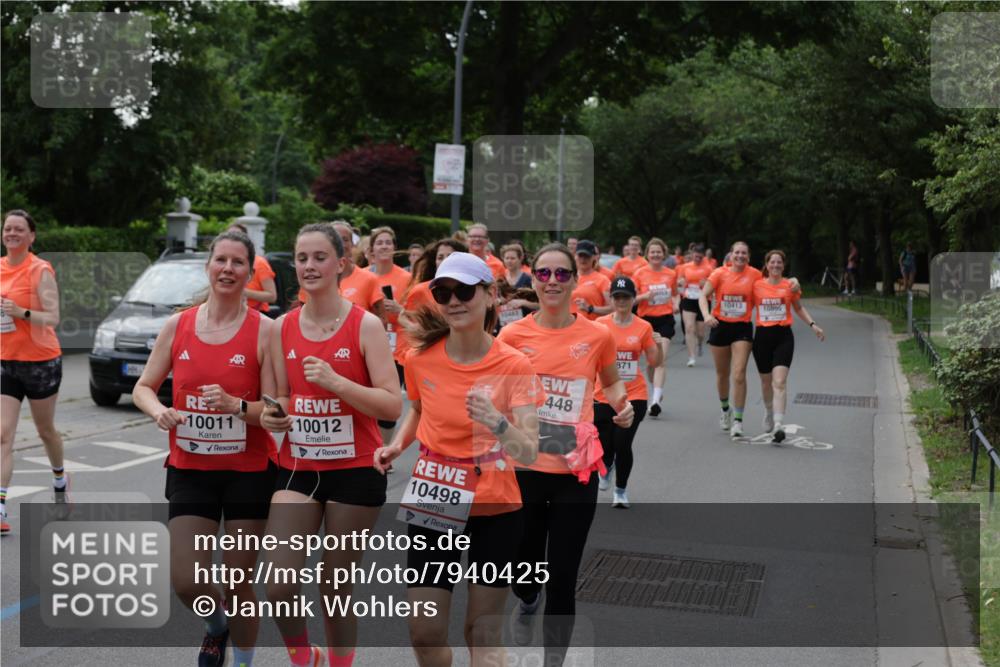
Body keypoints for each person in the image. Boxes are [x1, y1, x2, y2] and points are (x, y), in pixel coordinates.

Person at [374, 252, 542, 667]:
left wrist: (498, 425)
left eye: (464, 290)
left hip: (495, 505)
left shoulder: (513, 364)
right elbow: (416, 406)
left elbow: (531, 450)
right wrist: (399, 444)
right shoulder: (419, 357)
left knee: (480, 634)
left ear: (489, 297)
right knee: (425, 632)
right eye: (444, 292)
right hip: (437, 497)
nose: (453, 300)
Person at [133, 230, 277, 667]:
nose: (228, 269)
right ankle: (216, 628)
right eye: (221, 261)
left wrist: (238, 407)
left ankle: (244, 662)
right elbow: (143, 387)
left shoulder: (265, 331)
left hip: (248, 471)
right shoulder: (179, 325)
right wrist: (159, 411)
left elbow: (274, 412)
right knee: (185, 580)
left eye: (238, 263)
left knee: (237, 583)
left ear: (250, 273)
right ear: (208, 266)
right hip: (190, 467)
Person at [260, 223, 401, 667]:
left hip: (357, 470)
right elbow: (280, 399)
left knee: (335, 585)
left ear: (341, 263)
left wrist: (337, 382)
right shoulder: (281, 327)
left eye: (319, 257)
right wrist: (273, 414)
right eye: (301, 258)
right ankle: (305, 657)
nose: (308, 266)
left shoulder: (367, 325)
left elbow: (391, 406)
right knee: (279, 582)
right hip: (299, 465)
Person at [498, 243, 633, 665]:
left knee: (563, 575)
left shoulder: (597, 334)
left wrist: (621, 403)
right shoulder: (512, 335)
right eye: (543, 273)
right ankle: (526, 598)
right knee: (524, 564)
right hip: (524, 468)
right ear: (532, 279)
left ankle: (554, 660)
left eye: (561, 274)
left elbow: (610, 383)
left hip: (576, 470)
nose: (552, 281)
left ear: (576, 280)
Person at [1, 209, 66, 536]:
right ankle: (0, 507)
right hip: (6, 361)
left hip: (41, 362)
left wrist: (21, 311)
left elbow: (53, 317)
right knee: (3, 434)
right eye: (7, 228)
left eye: (18, 229)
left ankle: (59, 478)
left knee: (45, 431)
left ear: (31, 236)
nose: (11, 233)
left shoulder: (40, 270)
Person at [595, 277, 662, 507]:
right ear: (611, 299)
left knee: (622, 443)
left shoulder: (643, 327)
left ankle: (621, 491)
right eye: (617, 297)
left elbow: (654, 361)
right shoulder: (600, 324)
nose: (621, 301)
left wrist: (658, 344)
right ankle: (606, 465)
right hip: (602, 393)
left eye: (625, 297)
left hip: (633, 394)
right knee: (604, 444)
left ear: (634, 299)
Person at [753, 250, 825, 442]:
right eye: (772, 262)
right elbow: (745, 306)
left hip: (783, 336)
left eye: (779, 263)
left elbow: (799, 307)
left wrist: (813, 325)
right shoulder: (757, 285)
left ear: (783, 266)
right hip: (762, 338)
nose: (775, 265)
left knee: (780, 382)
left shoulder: (790, 286)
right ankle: (769, 411)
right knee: (766, 382)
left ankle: (778, 424)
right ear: (766, 265)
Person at [698, 241, 762, 439]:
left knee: (739, 373)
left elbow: (770, 289)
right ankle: (726, 409)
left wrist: (792, 282)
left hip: (742, 327)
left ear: (748, 257)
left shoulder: (755, 275)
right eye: (737, 253)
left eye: (744, 253)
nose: (740, 256)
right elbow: (703, 295)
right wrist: (707, 315)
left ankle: (738, 421)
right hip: (720, 326)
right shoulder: (719, 273)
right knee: (722, 374)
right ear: (731, 255)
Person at [369, 226, 412, 444]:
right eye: (380, 242)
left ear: (394, 248)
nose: (384, 246)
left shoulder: (406, 278)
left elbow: (417, 314)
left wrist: (399, 309)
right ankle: (369, 446)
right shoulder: (363, 276)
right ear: (372, 249)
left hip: (398, 348)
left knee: (387, 400)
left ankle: (384, 448)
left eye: (388, 242)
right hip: (367, 346)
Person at [297, 222, 385, 324]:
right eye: (336, 239)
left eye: (345, 239)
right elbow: (302, 319)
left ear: (352, 244)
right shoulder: (313, 279)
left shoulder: (369, 279)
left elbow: (382, 320)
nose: (341, 244)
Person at [632, 238, 677, 417]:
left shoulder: (670, 274)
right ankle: (657, 389)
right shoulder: (640, 273)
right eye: (653, 252)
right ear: (647, 255)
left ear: (663, 254)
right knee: (651, 362)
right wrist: (644, 296)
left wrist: (676, 304)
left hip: (665, 319)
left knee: (660, 360)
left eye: (659, 252)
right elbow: (632, 299)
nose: (656, 255)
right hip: (646, 322)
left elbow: (675, 294)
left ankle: (655, 400)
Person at [675, 244, 713, 367]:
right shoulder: (684, 267)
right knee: (689, 328)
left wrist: (706, 283)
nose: (697, 258)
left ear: (703, 256)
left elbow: (714, 285)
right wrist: (681, 282)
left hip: (703, 300)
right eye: (695, 255)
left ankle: (700, 343)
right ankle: (691, 357)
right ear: (692, 254)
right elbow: (678, 283)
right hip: (688, 299)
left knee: (701, 332)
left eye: (700, 256)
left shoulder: (709, 268)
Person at [228, 223, 277, 314]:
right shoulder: (224, 264)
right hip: (230, 313)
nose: (232, 240)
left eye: (237, 236)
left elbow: (272, 296)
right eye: (229, 236)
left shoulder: (259, 263)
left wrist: (243, 292)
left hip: (256, 313)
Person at [498, 243, 538, 330]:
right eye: (507, 258)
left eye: (513, 258)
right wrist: (500, 301)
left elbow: (540, 305)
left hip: (525, 326)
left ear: (520, 259)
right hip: (504, 326)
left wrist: (522, 302)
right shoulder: (500, 280)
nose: (509, 261)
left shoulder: (528, 279)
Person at [572, 240, 612, 320]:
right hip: (568, 328)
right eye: (580, 255)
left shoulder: (602, 280)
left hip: (591, 327)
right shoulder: (566, 278)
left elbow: (613, 309)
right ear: (575, 256)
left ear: (594, 257)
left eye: (587, 256)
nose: (583, 259)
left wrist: (590, 308)